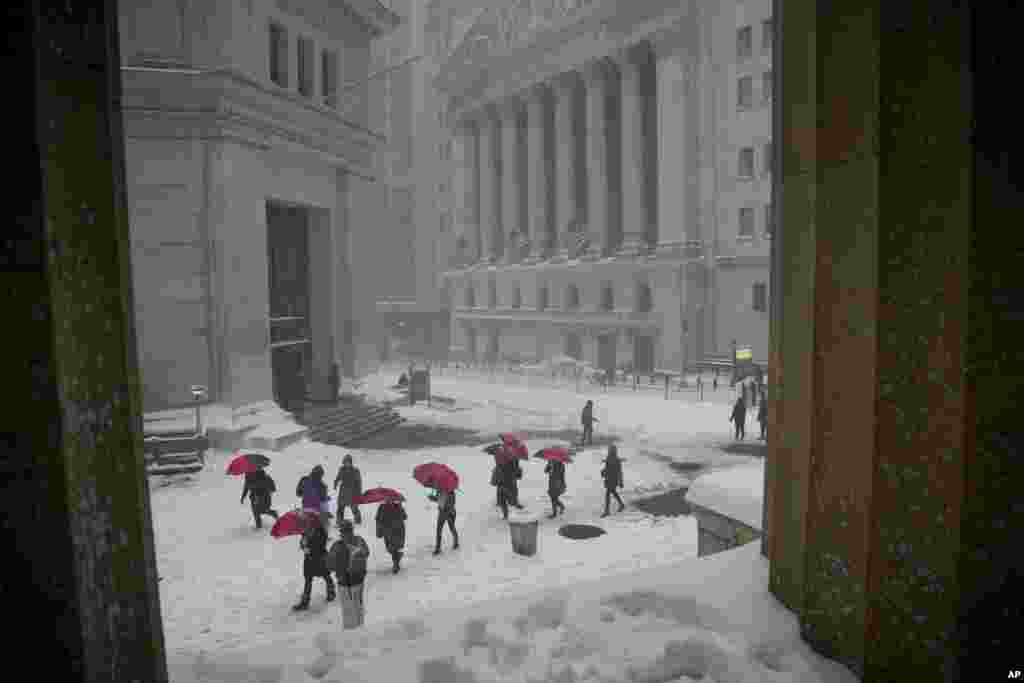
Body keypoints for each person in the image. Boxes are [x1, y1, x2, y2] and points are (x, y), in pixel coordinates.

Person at [327, 519, 370, 629]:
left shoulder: (341, 545)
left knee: (352, 603)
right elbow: (330, 563)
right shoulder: (342, 544)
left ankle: (355, 626)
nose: (345, 535)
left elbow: (366, 553)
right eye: (344, 532)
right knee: (352, 603)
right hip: (349, 578)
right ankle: (354, 626)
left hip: (352, 578)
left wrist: (357, 552)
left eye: (345, 532)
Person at [293, 511, 336, 611]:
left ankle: (331, 591)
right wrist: (303, 545)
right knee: (308, 579)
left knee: (326, 575)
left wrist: (309, 547)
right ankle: (305, 601)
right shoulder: (305, 531)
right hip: (309, 560)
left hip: (320, 558)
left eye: (308, 522)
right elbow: (303, 543)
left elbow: (320, 544)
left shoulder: (321, 531)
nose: (307, 523)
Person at [375, 500, 407, 573]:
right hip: (389, 531)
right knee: (391, 548)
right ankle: (397, 558)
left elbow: (404, 516)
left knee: (393, 548)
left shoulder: (397, 506)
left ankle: (396, 564)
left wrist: (400, 508)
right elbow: (378, 520)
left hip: (396, 531)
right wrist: (378, 531)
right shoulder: (382, 507)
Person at [333, 454, 363, 525]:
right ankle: (339, 520)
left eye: (348, 462)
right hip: (343, 491)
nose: (347, 463)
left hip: (352, 491)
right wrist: (335, 483)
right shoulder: (341, 469)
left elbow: (359, 481)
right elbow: (338, 477)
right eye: (346, 462)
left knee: (354, 507)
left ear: (351, 462)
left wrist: (359, 492)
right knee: (340, 507)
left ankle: (358, 520)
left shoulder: (355, 470)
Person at [431, 487, 459, 555]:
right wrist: (433, 498)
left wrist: (446, 508)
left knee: (451, 527)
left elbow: (452, 503)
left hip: (449, 513)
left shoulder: (451, 493)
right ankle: (438, 548)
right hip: (442, 512)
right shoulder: (439, 490)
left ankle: (456, 542)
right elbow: (438, 500)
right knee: (439, 530)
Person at [600, 445, 625, 517]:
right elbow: (607, 468)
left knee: (608, 494)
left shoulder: (616, 460)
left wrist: (620, 481)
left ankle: (607, 510)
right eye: (609, 450)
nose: (609, 451)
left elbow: (619, 472)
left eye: (610, 450)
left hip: (613, 479)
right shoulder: (610, 458)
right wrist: (603, 472)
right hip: (609, 478)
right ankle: (621, 504)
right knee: (613, 492)